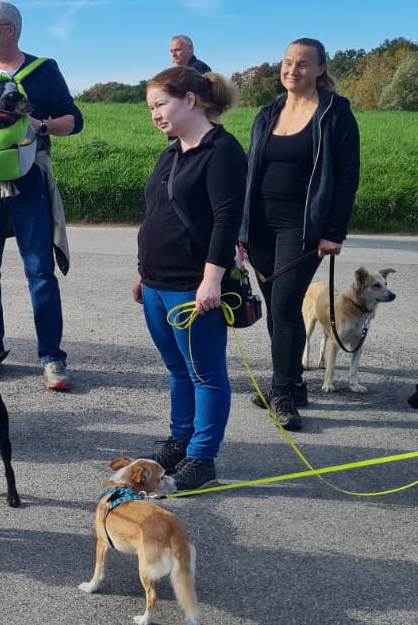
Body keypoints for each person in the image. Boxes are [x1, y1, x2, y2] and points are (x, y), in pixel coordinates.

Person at [0, 1, 83, 390]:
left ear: (11, 30)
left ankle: (52, 357)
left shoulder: (44, 70)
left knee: (40, 272)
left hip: (29, 183)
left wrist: (39, 124)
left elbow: (74, 121)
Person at [239, 38, 360, 431]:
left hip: (303, 226)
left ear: (321, 69)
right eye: (288, 62)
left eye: (303, 64)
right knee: (277, 308)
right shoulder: (267, 112)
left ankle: (282, 392)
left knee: (289, 305)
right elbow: (249, 172)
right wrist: (242, 228)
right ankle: (292, 381)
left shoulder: (335, 113)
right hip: (261, 225)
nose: (293, 70)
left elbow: (346, 177)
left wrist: (333, 231)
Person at [135, 67, 244, 491]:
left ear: (191, 101)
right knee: (177, 369)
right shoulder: (172, 152)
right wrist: (142, 272)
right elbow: (155, 215)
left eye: (161, 104)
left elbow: (226, 219)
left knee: (206, 373)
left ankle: (202, 456)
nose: (155, 114)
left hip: (192, 284)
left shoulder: (222, 151)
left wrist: (212, 279)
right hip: (156, 282)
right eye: (151, 108)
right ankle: (180, 439)